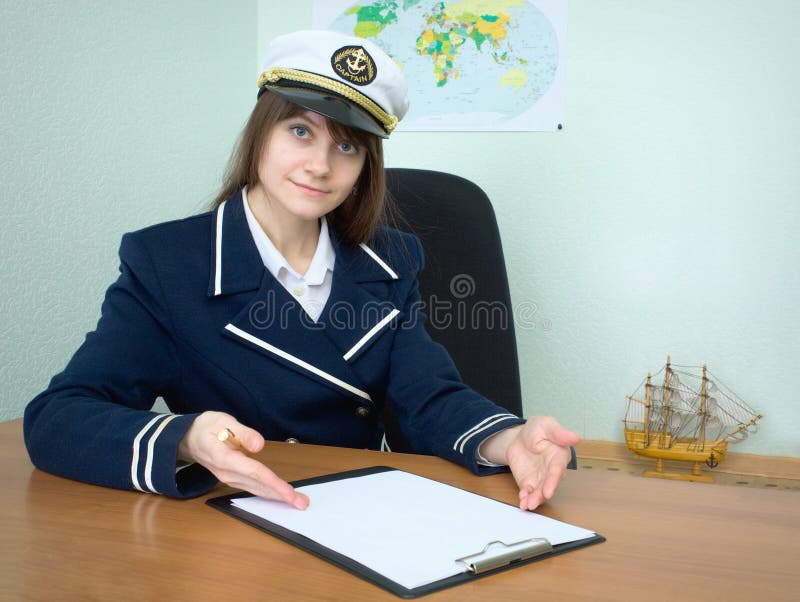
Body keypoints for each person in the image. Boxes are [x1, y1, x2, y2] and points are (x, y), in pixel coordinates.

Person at [23, 30, 580, 511]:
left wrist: (507, 440)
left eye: (346, 146)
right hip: (236, 524)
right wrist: (187, 439)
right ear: (259, 131)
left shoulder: (392, 260)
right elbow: (58, 417)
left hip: (367, 510)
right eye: (299, 131)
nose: (320, 165)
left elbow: (427, 397)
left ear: (365, 167)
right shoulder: (166, 265)